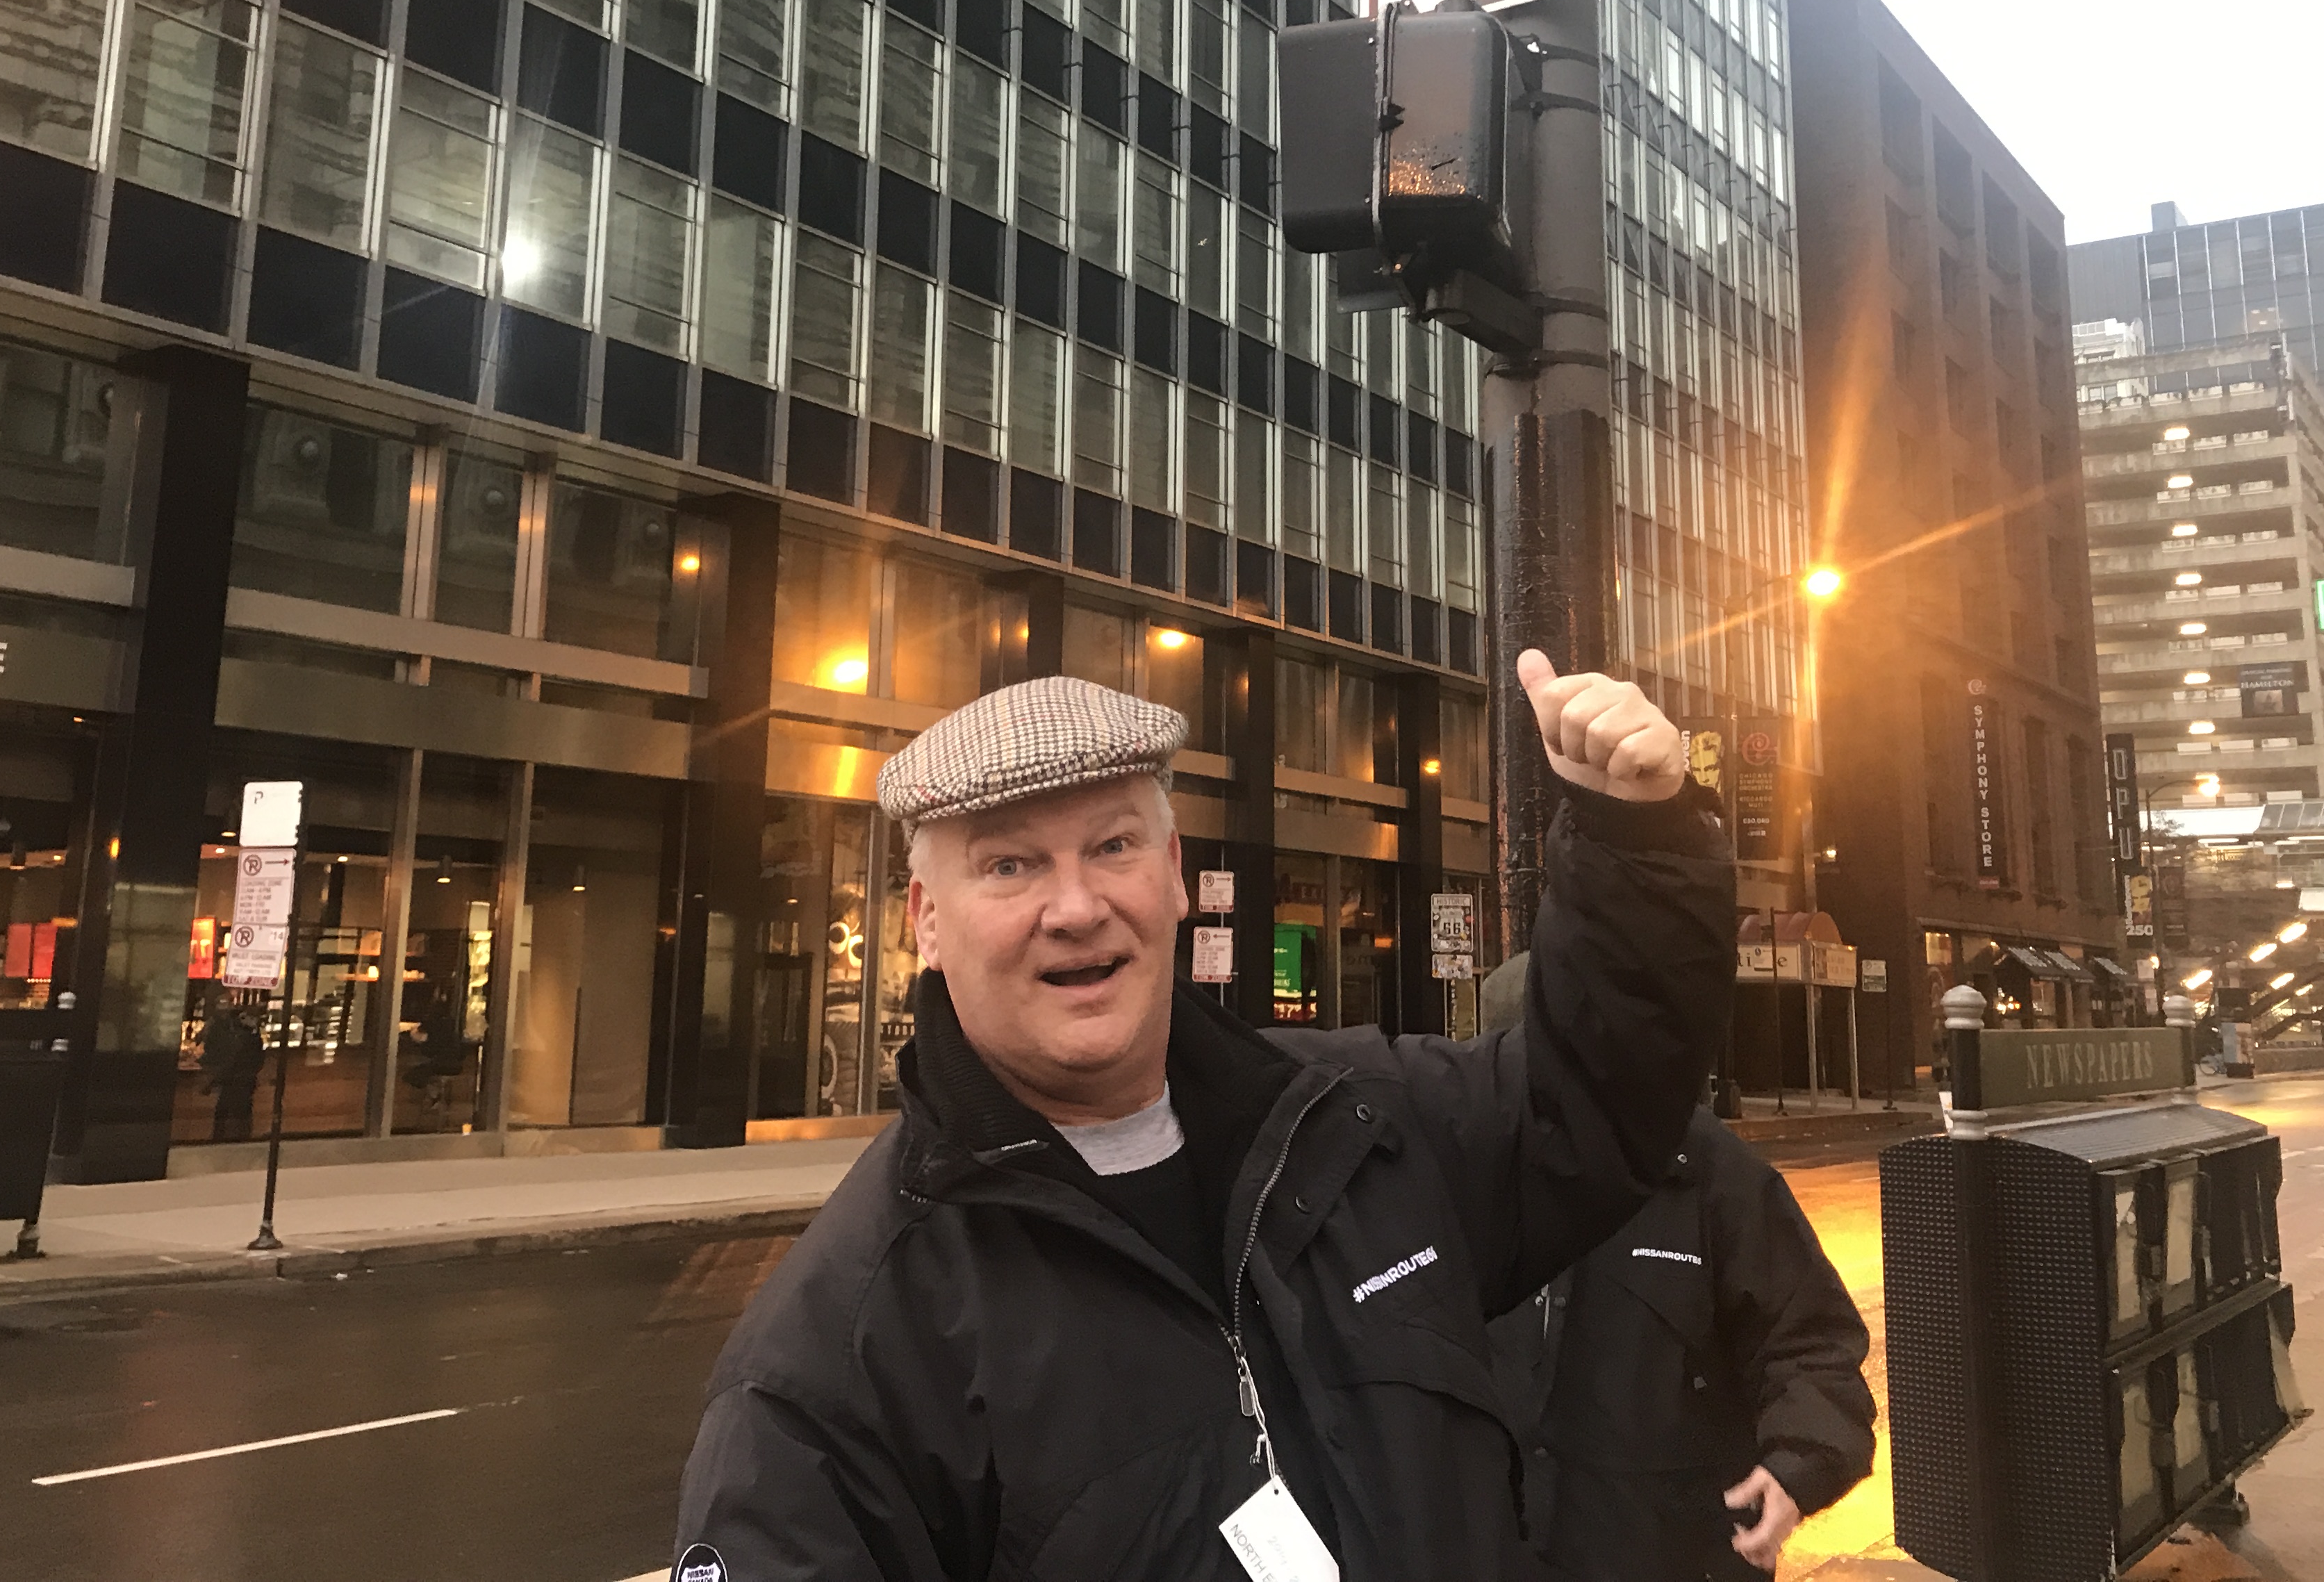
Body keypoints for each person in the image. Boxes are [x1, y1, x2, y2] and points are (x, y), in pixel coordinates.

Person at [676, 654, 1736, 1582]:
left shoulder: (1364, 1121)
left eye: (1113, 846)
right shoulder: (839, 1354)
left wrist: (1636, 836)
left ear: (1176, 877)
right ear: (928, 922)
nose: (1077, 907)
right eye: (1009, 865)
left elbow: (1594, 1101)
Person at [1481, 954, 1876, 1579]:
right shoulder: (1464, 1175)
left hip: (1675, 1553)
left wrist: (1797, 1465)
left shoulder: (1712, 1174)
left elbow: (1809, 1340)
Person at [198, 991, 263, 1144]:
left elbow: (236, 1056)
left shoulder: (238, 1032)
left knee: (230, 1111)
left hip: (237, 1078)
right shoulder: (229, 1028)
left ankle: (225, 1139)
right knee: (235, 1111)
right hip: (240, 1078)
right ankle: (234, 1139)